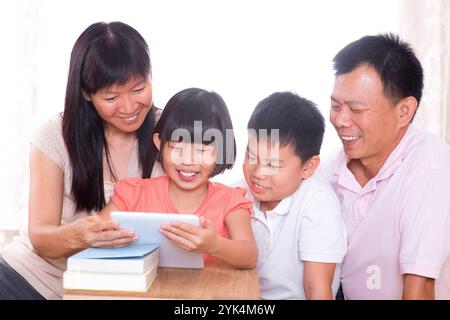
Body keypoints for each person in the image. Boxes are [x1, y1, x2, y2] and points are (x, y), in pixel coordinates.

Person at [0, 21, 164, 300]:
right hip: (30, 280)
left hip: (118, 291)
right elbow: (40, 238)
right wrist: (80, 236)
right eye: (111, 96)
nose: (128, 107)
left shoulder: (170, 132)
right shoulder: (54, 135)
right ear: (87, 94)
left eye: (138, 89)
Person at [321, 33, 450, 299]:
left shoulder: (430, 166)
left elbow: (420, 288)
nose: (341, 120)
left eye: (356, 109)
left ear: (404, 111)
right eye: (335, 106)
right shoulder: (330, 170)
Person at [99, 88, 258, 269]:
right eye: (177, 148)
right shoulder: (134, 194)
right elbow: (92, 235)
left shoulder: (230, 201)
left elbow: (250, 256)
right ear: (160, 143)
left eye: (201, 151)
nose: (188, 161)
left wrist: (215, 245)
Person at [235, 92, 347, 299]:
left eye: (273, 164)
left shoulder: (318, 202)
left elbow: (317, 289)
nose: (258, 173)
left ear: (308, 167)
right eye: (251, 156)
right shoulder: (238, 194)